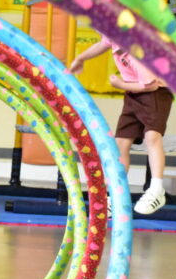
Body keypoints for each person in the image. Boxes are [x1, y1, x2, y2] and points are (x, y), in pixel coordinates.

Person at [69, 36, 170, 214]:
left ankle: (156, 189)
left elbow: (151, 86)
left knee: (152, 137)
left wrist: (120, 84)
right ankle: (116, 194)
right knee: (120, 143)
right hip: (133, 91)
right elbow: (101, 45)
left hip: (155, 92)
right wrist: (80, 58)